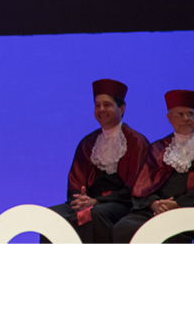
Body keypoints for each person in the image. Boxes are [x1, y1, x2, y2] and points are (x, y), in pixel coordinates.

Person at [112, 89, 194, 243]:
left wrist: (177, 204)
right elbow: (142, 187)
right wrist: (155, 204)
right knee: (123, 228)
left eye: (191, 114)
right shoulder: (158, 148)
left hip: (189, 211)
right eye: (180, 114)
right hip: (156, 210)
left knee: (165, 233)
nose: (186, 119)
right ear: (169, 118)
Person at [42, 78, 150, 243]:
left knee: (96, 214)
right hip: (90, 202)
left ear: (121, 109)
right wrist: (81, 200)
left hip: (122, 204)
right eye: (97, 105)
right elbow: (75, 183)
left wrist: (98, 201)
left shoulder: (137, 142)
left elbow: (136, 189)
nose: (101, 109)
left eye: (107, 105)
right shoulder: (88, 143)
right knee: (50, 217)